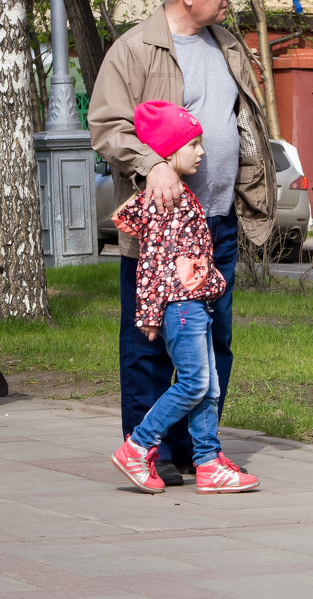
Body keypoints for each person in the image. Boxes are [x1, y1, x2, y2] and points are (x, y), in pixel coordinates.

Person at [89, 0, 276, 487]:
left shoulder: (228, 45)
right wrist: (153, 165)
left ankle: (201, 453)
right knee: (149, 342)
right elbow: (106, 125)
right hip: (161, 234)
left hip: (216, 221)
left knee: (214, 340)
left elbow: (242, 123)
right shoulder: (136, 49)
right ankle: (146, 450)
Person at [110, 101, 259, 495]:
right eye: (194, 144)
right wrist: (149, 312)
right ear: (169, 151)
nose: (202, 152)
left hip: (196, 305)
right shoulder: (166, 202)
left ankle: (208, 463)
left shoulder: (182, 195)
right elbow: (153, 262)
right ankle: (138, 447)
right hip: (179, 310)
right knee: (194, 383)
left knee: (208, 386)